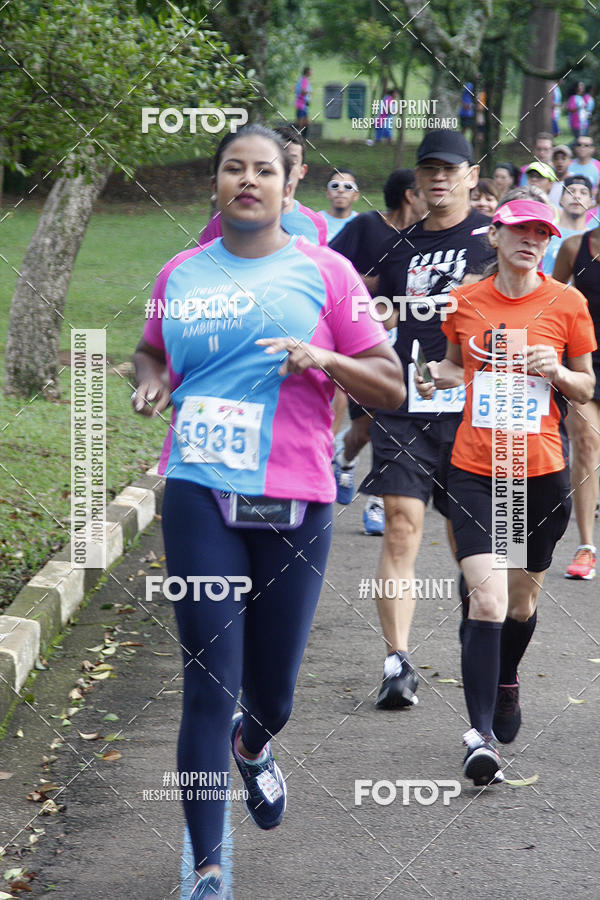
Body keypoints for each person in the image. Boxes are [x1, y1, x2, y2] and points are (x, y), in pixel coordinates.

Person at [132, 123, 405, 900]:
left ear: (291, 184)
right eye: (231, 170)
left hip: (294, 494)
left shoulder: (328, 273)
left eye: (263, 170)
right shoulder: (180, 272)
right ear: (215, 185)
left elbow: (387, 385)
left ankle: (254, 745)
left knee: (271, 693)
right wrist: (149, 380)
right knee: (207, 678)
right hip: (198, 488)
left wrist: (326, 358)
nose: (246, 181)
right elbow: (151, 347)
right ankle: (208, 865)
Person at [416, 197, 596, 784]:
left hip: (537, 473)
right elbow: (453, 367)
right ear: (495, 236)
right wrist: (430, 375)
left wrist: (558, 371)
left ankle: (506, 678)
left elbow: (586, 382)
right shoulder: (465, 302)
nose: (532, 240)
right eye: (520, 230)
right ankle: (480, 736)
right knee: (487, 599)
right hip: (474, 468)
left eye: (542, 233)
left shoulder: (567, 302)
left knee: (519, 603)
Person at [360, 130, 496, 708]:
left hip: (472, 410)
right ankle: (397, 662)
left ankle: (483, 636)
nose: (438, 178)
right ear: (416, 179)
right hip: (405, 408)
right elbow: (362, 307)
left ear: (471, 174)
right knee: (400, 524)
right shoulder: (397, 248)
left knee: (473, 541)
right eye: (428, 170)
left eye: (450, 169)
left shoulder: (493, 240)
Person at [329, 169, 427, 534]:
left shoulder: (427, 237)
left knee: (395, 422)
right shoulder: (368, 226)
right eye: (424, 191)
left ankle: (376, 503)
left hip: (411, 342)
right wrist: (369, 289)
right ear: (408, 195)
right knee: (365, 429)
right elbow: (329, 267)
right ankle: (345, 458)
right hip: (365, 341)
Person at [554, 221, 600, 580]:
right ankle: (586, 547)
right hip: (585, 361)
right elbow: (551, 300)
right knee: (585, 443)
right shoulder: (574, 247)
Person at [198, 126, 327, 246]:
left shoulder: (316, 224)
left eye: (292, 160)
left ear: (302, 170)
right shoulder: (227, 219)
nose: (249, 180)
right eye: (235, 169)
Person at [542, 174, 594, 274]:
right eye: (570, 192)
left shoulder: (594, 240)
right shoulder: (546, 232)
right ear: (561, 199)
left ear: (591, 202)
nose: (576, 196)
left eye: (583, 193)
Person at [319, 170, 360, 242]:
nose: (341, 190)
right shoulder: (314, 221)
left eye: (348, 186)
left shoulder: (362, 223)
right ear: (328, 193)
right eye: (335, 185)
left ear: (356, 195)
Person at [295, 66, 312, 134]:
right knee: (300, 124)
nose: (312, 72)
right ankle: (293, 136)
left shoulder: (303, 80)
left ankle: (302, 139)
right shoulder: (304, 80)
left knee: (306, 123)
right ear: (307, 72)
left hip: (304, 104)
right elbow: (302, 91)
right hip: (301, 104)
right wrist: (309, 92)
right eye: (311, 71)